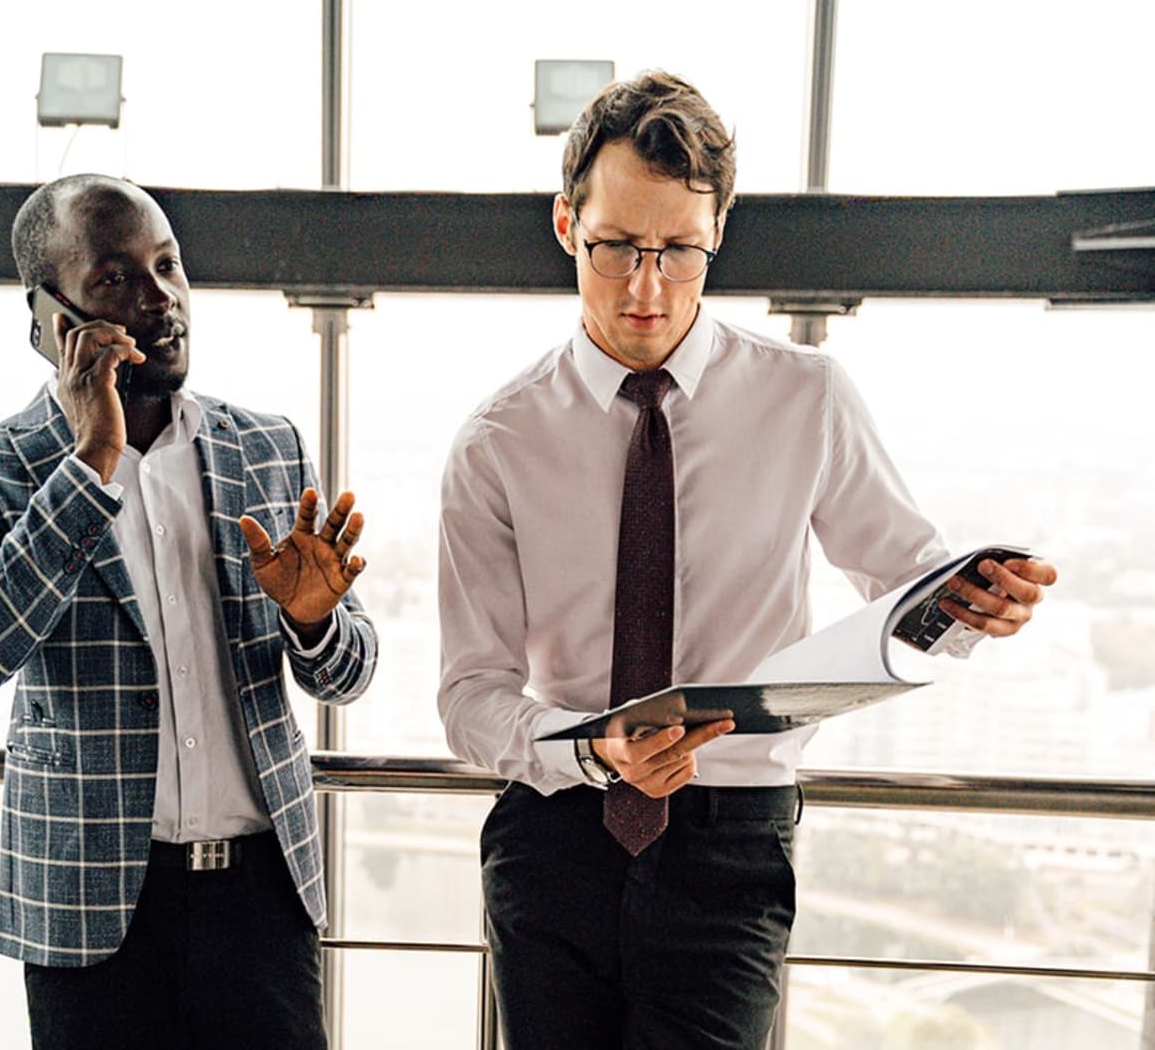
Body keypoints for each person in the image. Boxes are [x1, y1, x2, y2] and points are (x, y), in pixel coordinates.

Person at [436, 71, 1057, 1050]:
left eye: (678, 251)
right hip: (554, 842)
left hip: (728, 844)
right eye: (613, 248)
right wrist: (596, 747)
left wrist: (972, 605)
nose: (645, 287)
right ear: (565, 225)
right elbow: (468, 700)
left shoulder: (803, 398)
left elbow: (907, 579)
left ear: (716, 233)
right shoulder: (496, 440)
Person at [0, 173, 377, 1049]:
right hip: (89, 914)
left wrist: (315, 623)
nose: (160, 298)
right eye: (116, 279)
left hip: (260, 902)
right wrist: (90, 464)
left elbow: (351, 671)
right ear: (53, 320)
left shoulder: (266, 446)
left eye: (168, 266)